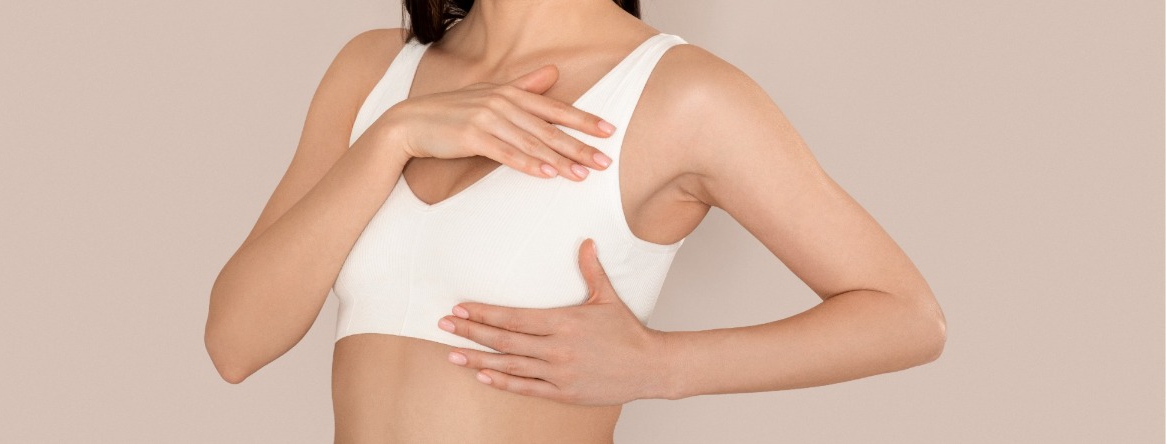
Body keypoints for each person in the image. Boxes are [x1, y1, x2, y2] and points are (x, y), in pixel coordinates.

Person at [205, 0, 948, 442]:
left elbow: (907, 317)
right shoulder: (373, 69)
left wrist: (665, 367)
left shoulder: (682, 94)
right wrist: (394, 136)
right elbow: (236, 344)